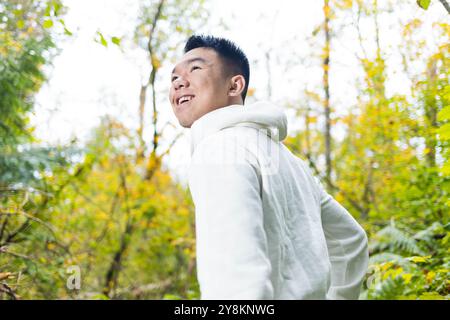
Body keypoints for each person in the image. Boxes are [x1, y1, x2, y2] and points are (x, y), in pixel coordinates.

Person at [168, 34, 369, 300]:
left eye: (195, 68)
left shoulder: (218, 150)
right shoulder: (291, 162)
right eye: (174, 78)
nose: (180, 81)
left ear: (234, 85)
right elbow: (351, 241)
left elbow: (237, 282)